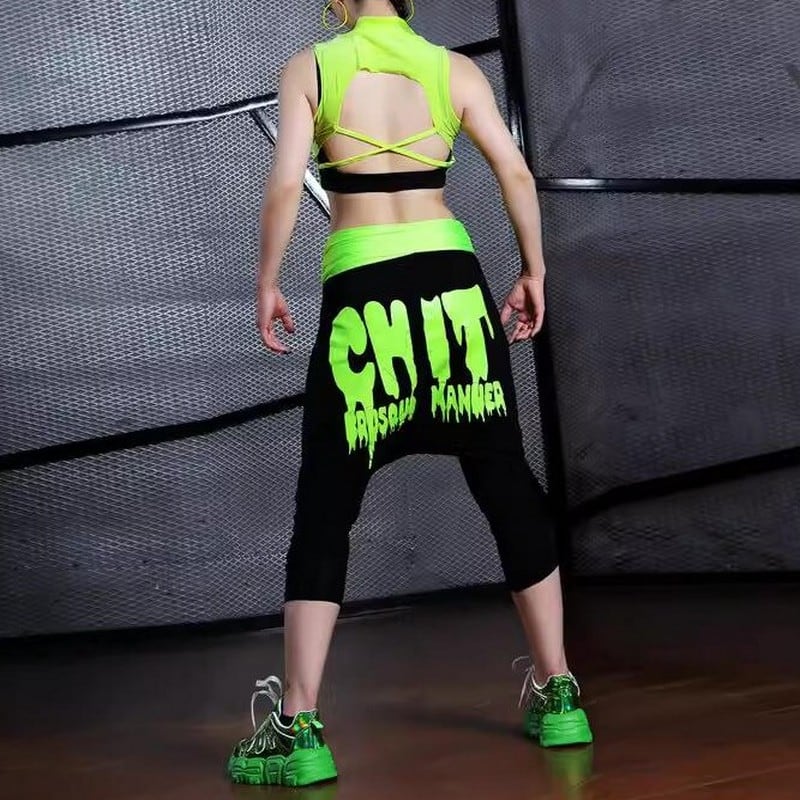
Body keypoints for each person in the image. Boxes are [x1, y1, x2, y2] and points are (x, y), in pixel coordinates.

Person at [226, 0, 593, 787]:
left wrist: (266, 281)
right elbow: (515, 171)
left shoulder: (311, 68)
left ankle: (298, 727)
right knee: (507, 483)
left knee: (326, 506)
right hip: (453, 288)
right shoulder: (453, 70)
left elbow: (286, 184)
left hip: (363, 290)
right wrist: (534, 271)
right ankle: (559, 688)